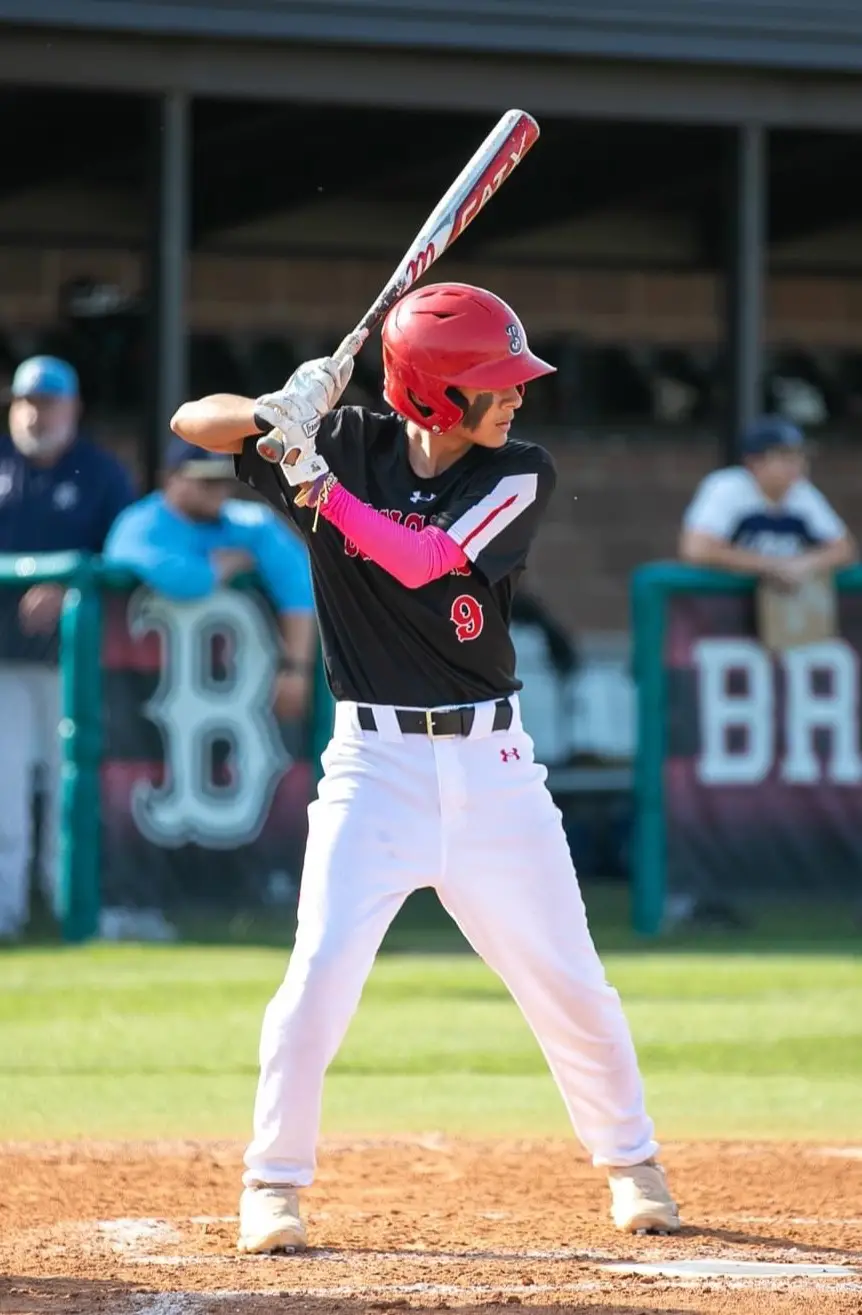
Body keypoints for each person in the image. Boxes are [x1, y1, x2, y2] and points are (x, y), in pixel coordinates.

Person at [171, 281, 680, 1250]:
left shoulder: (517, 471)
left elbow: (422, 559)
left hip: (495, 771)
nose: (516, 395)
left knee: (570, 983)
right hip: (372, 770)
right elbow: (191, 422)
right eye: (496, 381)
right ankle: (272, 1183)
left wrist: (317, 486)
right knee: (318, 975)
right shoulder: (342, 441)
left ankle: (632, 1163)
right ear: (437, 393)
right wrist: (277, 412)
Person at [0, 355, 135, 940]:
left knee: (70, 793)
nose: (37, 413)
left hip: (75, 668)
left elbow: (128, 553)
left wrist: (71, 586)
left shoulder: (100, 474)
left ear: (73, 408)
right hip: (4, 664)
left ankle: (68, 912)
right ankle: (6, 913)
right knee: (4, 796)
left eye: (49, 402)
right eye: (28, 401)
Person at [103, 438, 316, 722]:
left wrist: (295, 667)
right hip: (140, 681)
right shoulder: (139, 523)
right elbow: (183, 581)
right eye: (206, 481)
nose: (219, 491)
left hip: (232, 682)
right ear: (171, 479)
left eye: (223, 482)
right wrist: (222, 566)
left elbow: (299, 585)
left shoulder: (249, 523)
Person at [679, 415, 856, 584]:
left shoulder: (802, 491)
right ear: (754, 461)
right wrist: (771, 566)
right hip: (722, 600)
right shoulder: (727, 486)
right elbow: (696, 549)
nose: (797, 464)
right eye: (785, 456)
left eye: (800, 455)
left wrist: (805, 564)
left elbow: (844, 549)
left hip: (778, 600)